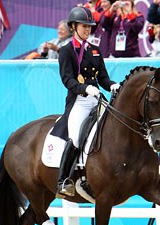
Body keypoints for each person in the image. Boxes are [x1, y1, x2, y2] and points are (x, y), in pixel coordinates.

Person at [52, 6, 120, 198]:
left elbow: (104, 79)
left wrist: (113, 85)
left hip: (97, 98)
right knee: (76, 137)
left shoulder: (96, 51)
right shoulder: (66, 51)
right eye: (84, 26)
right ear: (73, 26)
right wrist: (84, 89)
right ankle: (63, 180)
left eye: (90, 27)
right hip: (79, 101)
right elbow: (67, 79)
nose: (87, 30)